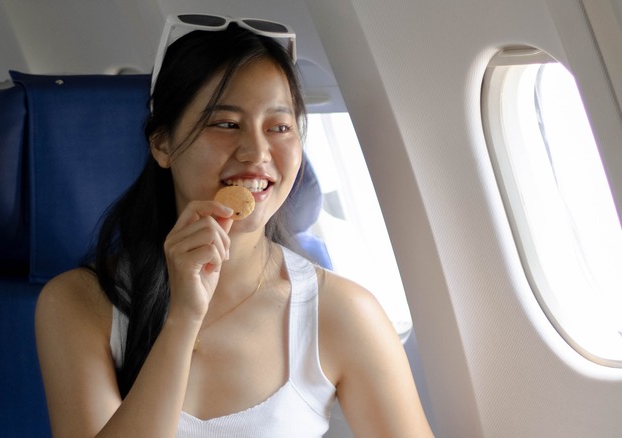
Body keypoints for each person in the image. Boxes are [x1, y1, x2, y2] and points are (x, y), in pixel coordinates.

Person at [35, 14, 434, 438]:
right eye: (226, 124)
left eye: (279, 127)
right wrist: (183, 319)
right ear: (162, 143)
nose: (257, 152)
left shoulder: (344, 313)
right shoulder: (79, 303)